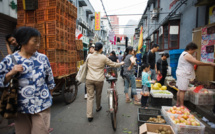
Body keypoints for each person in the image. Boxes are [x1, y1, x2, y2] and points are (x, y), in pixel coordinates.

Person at [0, 27, 55, 134]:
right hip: (20, 107)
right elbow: (2, 80)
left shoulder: (42, 58)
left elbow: (50, 80)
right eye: (35, 41)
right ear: (23, 41)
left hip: (42, 105)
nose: (38, 45)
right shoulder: (10, 60)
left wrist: (49, 97)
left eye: (39, 41)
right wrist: (11, 73)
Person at [86, 42, 124, 122]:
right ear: (101, 49)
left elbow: (86, 66)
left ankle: (89, 116)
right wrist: (120, 63)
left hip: (89, 79)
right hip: (99, 79)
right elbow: (113, 64)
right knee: (98, 94)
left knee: (90, 97)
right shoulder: (103, 57)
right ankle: (98, 107)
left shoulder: (89, 56)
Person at [176, 42, 215, 107]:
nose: (194, 52)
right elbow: (197, 63)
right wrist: (210, 64)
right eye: (194, 50)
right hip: (183, 75)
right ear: (191, 49)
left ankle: (178, 103)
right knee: (182, 90)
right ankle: (182, 105)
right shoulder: (186, 55)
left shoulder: (184, 54)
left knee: (180, 90)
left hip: (181, 74)